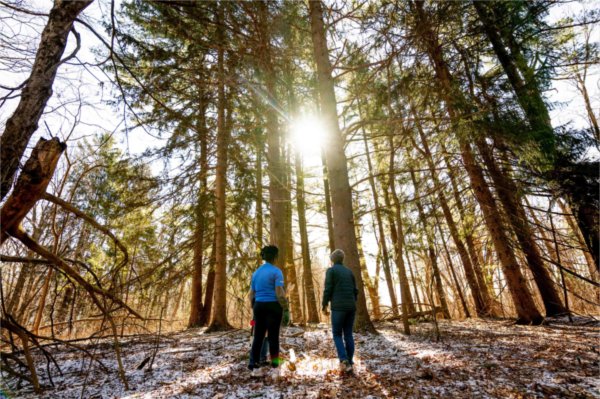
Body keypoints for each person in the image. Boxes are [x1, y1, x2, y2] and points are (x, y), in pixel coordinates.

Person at [248, 245, 290, 371]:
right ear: (275, 257)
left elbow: (251, 294)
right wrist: (286, 307)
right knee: (273, 336)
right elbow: (279, 292)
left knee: (258, 335)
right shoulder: (276, 272)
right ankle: (275, 363)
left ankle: (253, 362)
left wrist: (254, 306)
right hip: (273, 306)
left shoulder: (256, 273)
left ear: (264, 257)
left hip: (259, 306)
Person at [322, 249, 358, 373]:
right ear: (342, 259)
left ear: (332, 259)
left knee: (337, 334)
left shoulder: (331, 271)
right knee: (348, 334)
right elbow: (355, 290)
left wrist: (324, 304)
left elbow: (328, 289)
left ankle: (344, 359)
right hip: (351, 307)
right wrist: (353, 302)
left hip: (338, 308)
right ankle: (350, 361)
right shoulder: (349, 272)